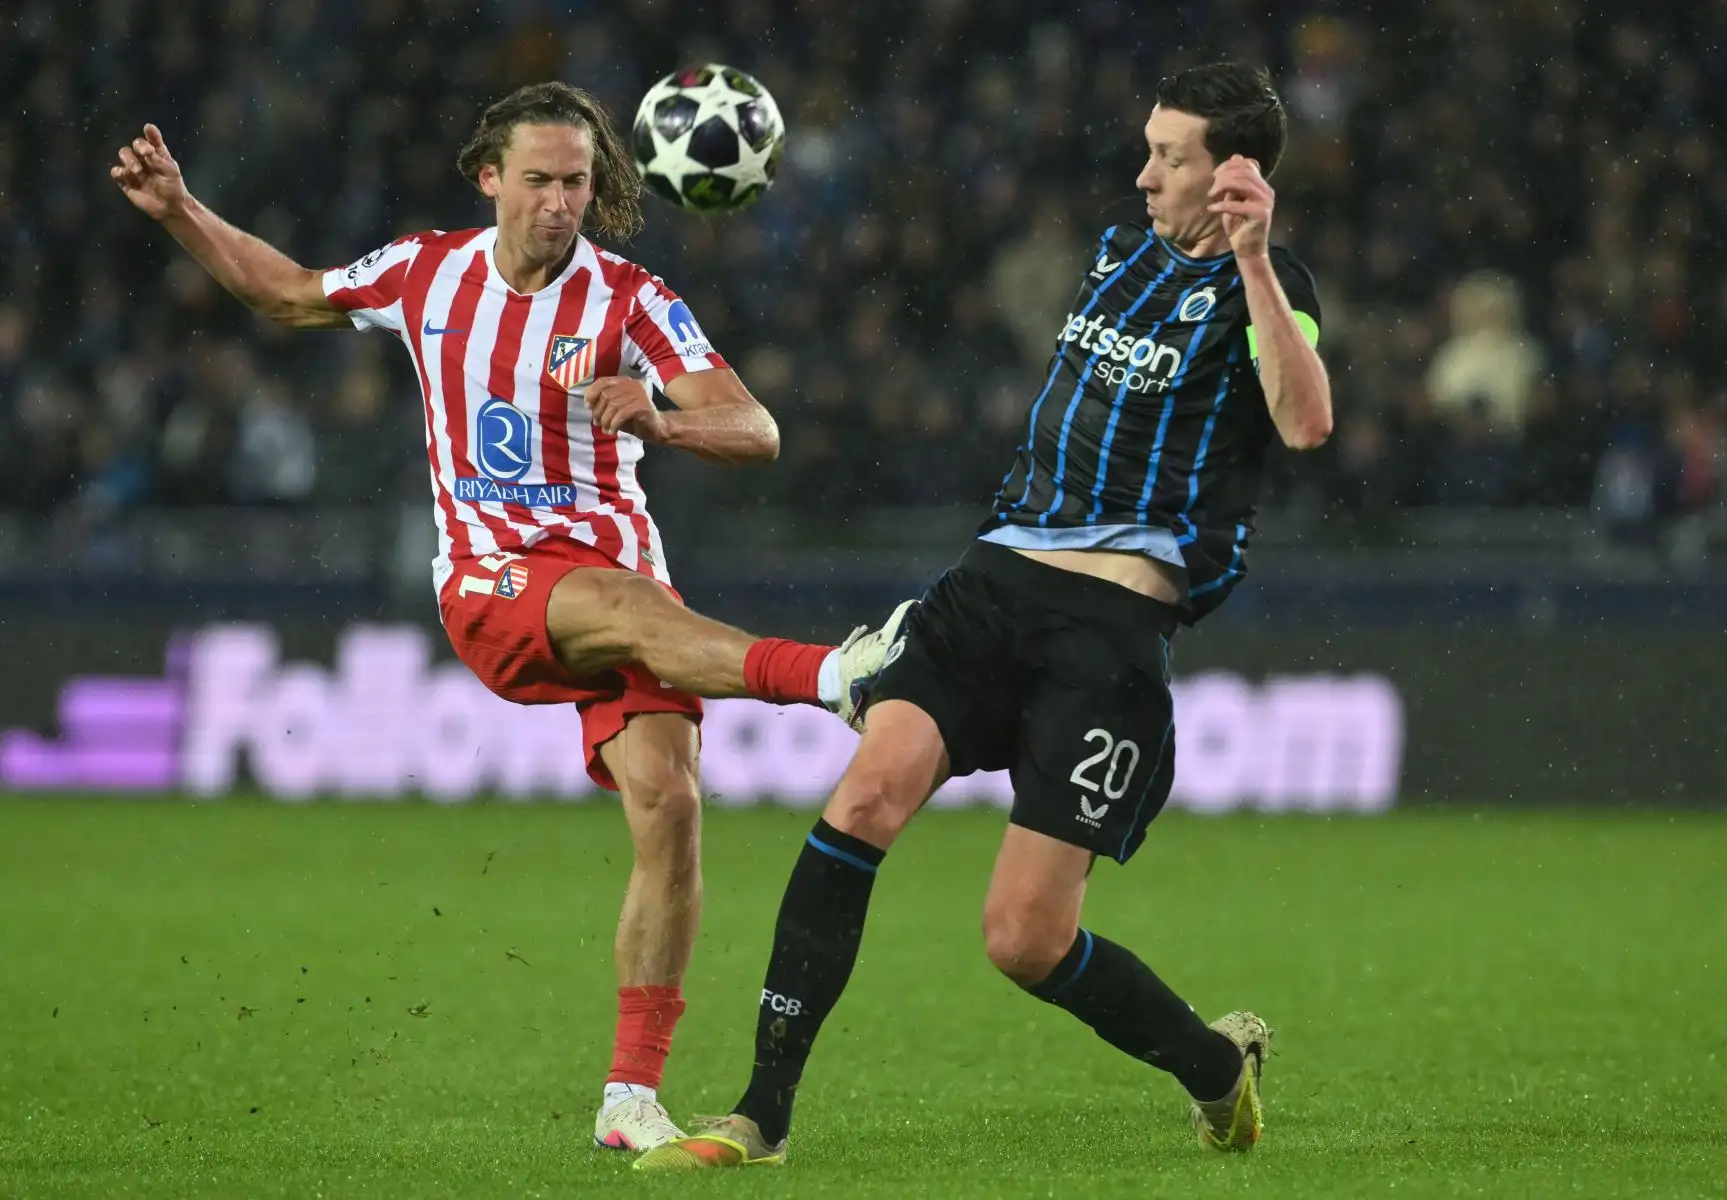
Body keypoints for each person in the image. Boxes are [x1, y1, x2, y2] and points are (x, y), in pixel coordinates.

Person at [110, 81, 910, 1155]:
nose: (559, 202)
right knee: (631, 605)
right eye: (538, 180)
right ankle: (832, 677)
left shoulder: (630, 297)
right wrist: (180, 211)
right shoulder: (425, 270)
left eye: (577, 182)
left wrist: (663, 421)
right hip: (494, 580)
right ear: (491, 178)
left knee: (671, 808)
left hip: (621, 580)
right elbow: (289, 293)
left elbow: (755, 429)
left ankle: (630, 1098)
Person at [636, 61, 1333, 1171]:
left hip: (1106, 637)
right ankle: (758, 1115)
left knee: (1023, 939)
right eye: (1147, 147)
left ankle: (1213, 1068)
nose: (1144, 173)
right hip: (993, 585)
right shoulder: (1116, 253)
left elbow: (1304, 424)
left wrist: (1250, 258)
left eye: (1170, 156)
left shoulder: (1270, 284)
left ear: (1235, 175)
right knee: (865, 793)